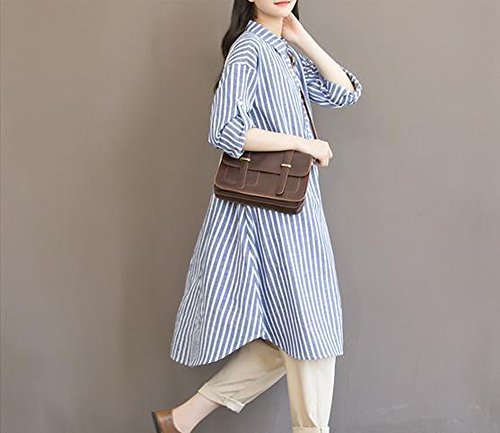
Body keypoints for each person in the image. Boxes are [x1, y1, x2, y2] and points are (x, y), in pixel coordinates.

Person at [151, 1, 363, 432]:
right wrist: (302, 144)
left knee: (289, 334)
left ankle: (180, 420)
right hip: (272, 213)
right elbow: (224, 129)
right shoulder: (249, 49)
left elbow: (345, 92)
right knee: (311, 328)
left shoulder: (283, 52)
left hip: (295, 207)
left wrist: (301, 37)